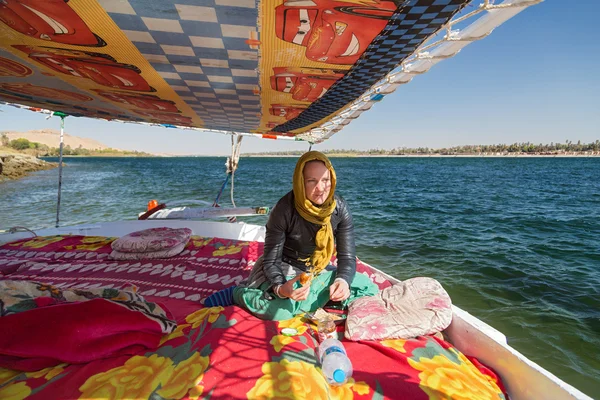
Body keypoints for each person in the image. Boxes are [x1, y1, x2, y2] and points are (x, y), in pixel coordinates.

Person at [205, 151, 378, 320]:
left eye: (325, 180)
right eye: (312, 181)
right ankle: (238, 294)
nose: (321, 188)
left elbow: (347, 257)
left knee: (367, 287)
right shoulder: (283, 210)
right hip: (283, 269)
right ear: (300, 182)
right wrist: (281, 288)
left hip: (317, 270)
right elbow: (271, 261)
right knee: (281, 312)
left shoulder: (340, 209)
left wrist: (343, 281)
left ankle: (313, 299)